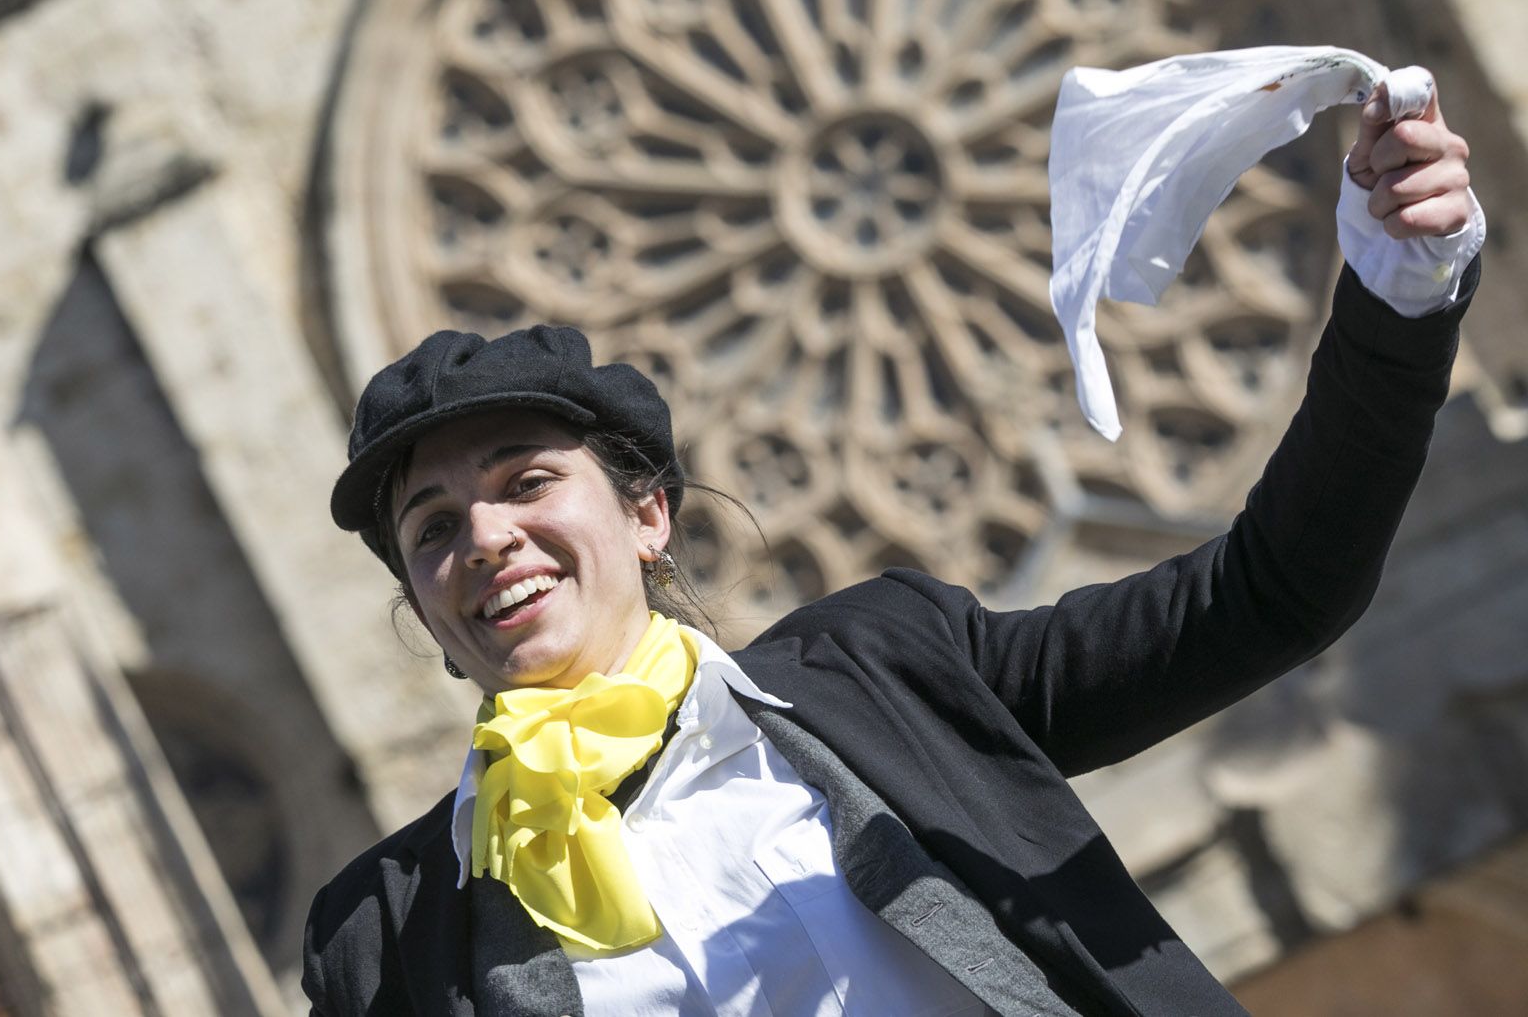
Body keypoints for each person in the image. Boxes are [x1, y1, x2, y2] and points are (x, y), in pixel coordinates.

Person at [301, 84, 1482, 1015]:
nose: (488, 536)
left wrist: (1398, 292)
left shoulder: (886, 676)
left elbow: (1270, 592)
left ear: (648, 514)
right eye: (434, 527)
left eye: (526, 481)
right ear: (421, 598)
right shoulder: (390, 937)